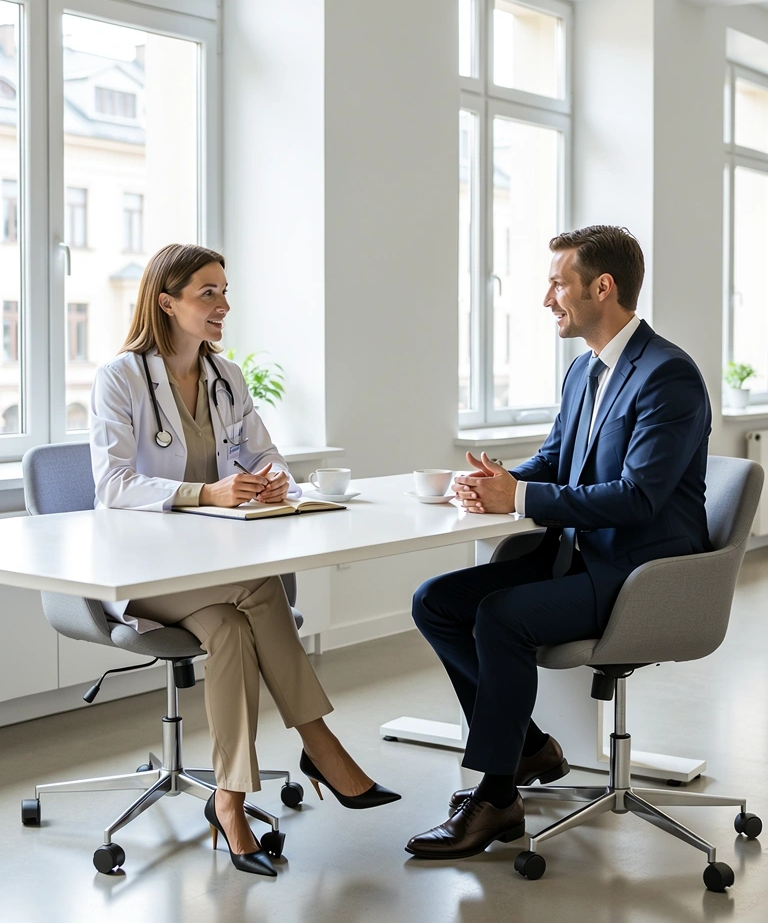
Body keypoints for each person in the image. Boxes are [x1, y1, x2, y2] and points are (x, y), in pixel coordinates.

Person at [90, 243, 399, 878]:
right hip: (147, 572)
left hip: (214, 576)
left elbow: (266, 454)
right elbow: (112, 486)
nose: (223, 305)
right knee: (261, 589)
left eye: (224, 291)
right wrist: (205, 493)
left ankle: (228, 802)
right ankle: (320, 744)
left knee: (233, 631)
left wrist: (274, 480)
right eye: (208, 292)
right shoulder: (122, 377)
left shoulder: (225, 376)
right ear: (166, 301)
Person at [406, 225, 711, 859]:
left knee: (501, 616)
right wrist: (502, 480)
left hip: (639, 573)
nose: (548, 297)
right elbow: (557, 458)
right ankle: (529, 748)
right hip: (575, 554)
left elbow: (637, 498)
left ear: (604, 287)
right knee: (435, 601)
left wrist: (517, 500)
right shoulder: (582, 371)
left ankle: (496, 796)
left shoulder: (668, 375)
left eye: (558, 283)